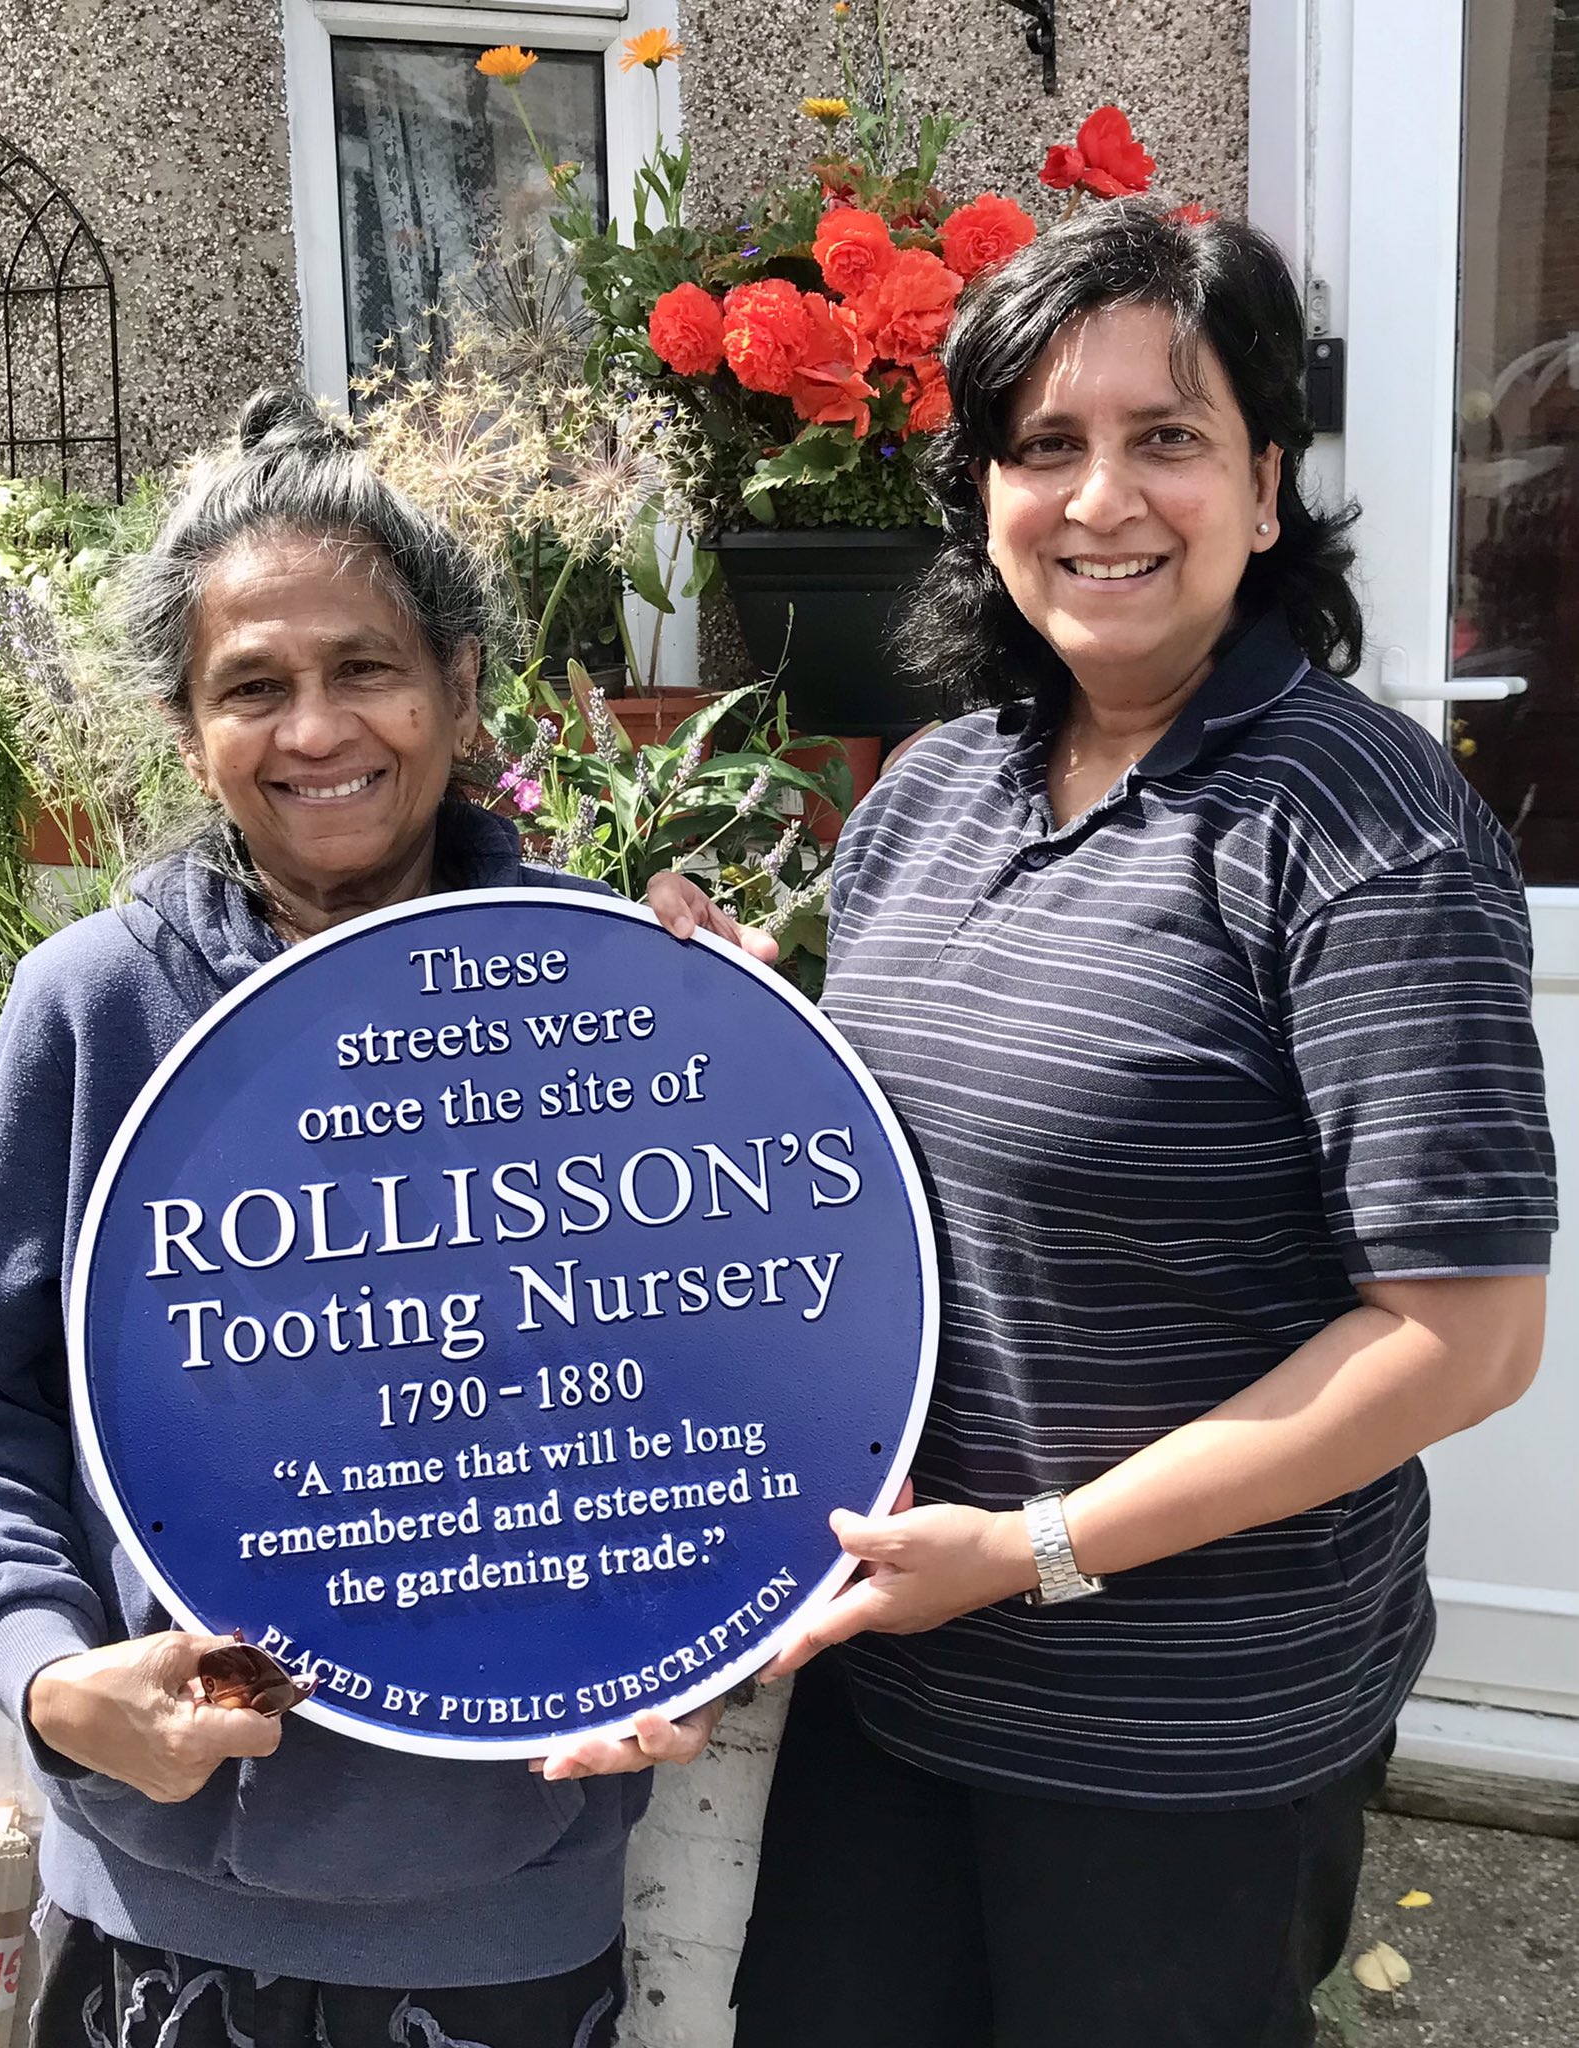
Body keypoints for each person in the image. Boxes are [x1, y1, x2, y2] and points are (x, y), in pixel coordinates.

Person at [654, 202, 1558, 2046]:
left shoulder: (1359, 833)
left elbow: (1459, 1340)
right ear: (981, 490)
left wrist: (1039, 1547)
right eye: (1044, 446)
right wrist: (750, 1029)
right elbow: (929, 1162)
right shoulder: (938, 790)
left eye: (1168, 438)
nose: (1100, 499)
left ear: (1268, 483)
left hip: (1189, 1736)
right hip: (902, 1684)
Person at [0, 390, 735, 2048]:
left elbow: (749, 1381)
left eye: (365, 670)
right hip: (156, 1898)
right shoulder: (96, 1004)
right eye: (251, 689)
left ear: (462, 687)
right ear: (186, 726)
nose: (316, 729)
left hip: (508, 1893)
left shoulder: (610, 993)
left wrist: (704, 1642)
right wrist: (52, 1677)